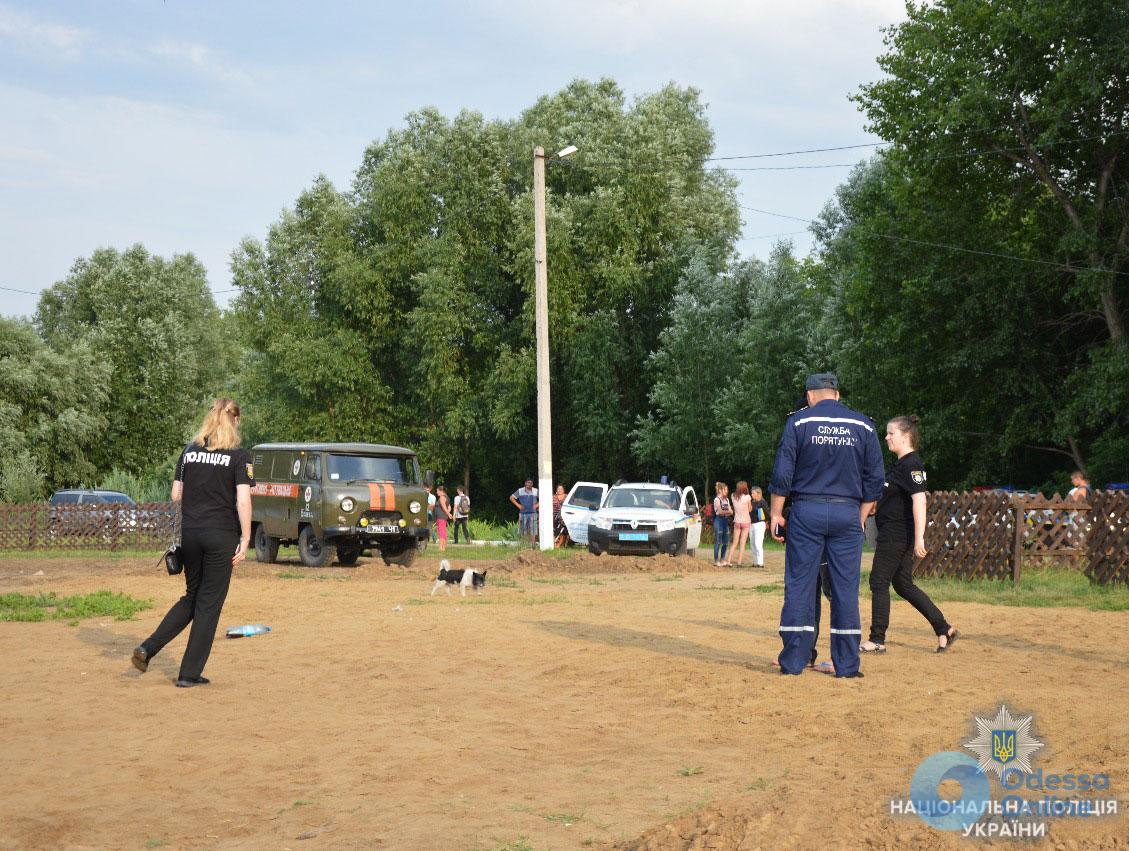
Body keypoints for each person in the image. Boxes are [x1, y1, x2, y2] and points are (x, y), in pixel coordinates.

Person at [131, 399, 253, 688]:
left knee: (192, 597)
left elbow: (176, 495)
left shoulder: (189, 451)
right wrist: (246, 539)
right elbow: (243, 499)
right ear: (234, 421)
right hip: (220, 534)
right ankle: (188, 673)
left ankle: (148, 648)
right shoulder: (238, 455)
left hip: (192, 534)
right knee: (209, 604)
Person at [769, 372, 884, 678]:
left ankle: (794, 661)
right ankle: (846, 666)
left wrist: (776, 514)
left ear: (809, 396)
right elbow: (874, 480)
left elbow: (783, 473)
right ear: (837, 395)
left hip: (807, 511)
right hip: (847, 512)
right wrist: (859, 515)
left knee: (800, 585)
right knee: (846, 588)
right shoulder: (863, 425)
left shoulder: (798, 423)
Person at [860, 416, 960, 654]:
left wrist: (919, 538)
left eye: (890, 433)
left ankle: (877, 639)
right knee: (903, 584)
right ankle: (944, 628)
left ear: (905, 436)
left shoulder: (912, 464)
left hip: (897, 534)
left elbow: (920, 501)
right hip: (893, 532)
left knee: (878, 581)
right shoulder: (900, 464)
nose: (886, 437)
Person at [510, 479, 539, 545]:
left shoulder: (535, 490)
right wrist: (518, 505)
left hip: (533, 513)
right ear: (525, 483)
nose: (530, 484)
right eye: (528, 482)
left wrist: (537, 505)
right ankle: (523, 546)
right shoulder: (520, 490)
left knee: (533, 530)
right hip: (523, 513)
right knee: (522, 530)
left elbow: (543, 497)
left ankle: (533, 546)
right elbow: (511, 498)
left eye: (531, 483)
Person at [730, 481, 753, 566]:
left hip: (737, 521)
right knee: (742, 543)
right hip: (746, 521)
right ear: (744, 488)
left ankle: (728, 561)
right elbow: (750, 509)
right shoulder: (747, 497)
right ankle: (739, 563)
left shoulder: (733, 496)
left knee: (734, 543)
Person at [712, 482, 732, 566]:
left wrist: (727, 512)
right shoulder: (717, 499)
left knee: (726, 542)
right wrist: (728, 512)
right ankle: (716, 560)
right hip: (718, 521)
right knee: (718, 542)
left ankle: (722, 559)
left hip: (725, 521)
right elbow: (720, 512)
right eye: (725, 489)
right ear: (720, 490)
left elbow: (731, 512)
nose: (727, 491)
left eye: (727, 489)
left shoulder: (727, 500)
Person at [749, 486, 769, 568]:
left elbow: (767, 512)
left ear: (758, 493)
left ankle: (760, 563)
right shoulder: (752, 502)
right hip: (751, 524)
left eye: (753, 493)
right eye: (751, 493)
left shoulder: (762, 502)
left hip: (760, 524)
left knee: (758, 543)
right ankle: (755, 562)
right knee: (752, 543)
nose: (751, 494)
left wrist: (767, 521)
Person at [434, 485, 451, 552]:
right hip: (443, 517)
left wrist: (448, 513)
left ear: (441, 491)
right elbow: (449, 507)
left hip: (441, 517)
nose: (436, 492)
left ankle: (441, 548)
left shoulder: (441, 497)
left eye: (437, 491)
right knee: (443, 532)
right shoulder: (447, 497)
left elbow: (444, 507)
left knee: (441, 532)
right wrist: (447, 513)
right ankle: (443, 548)